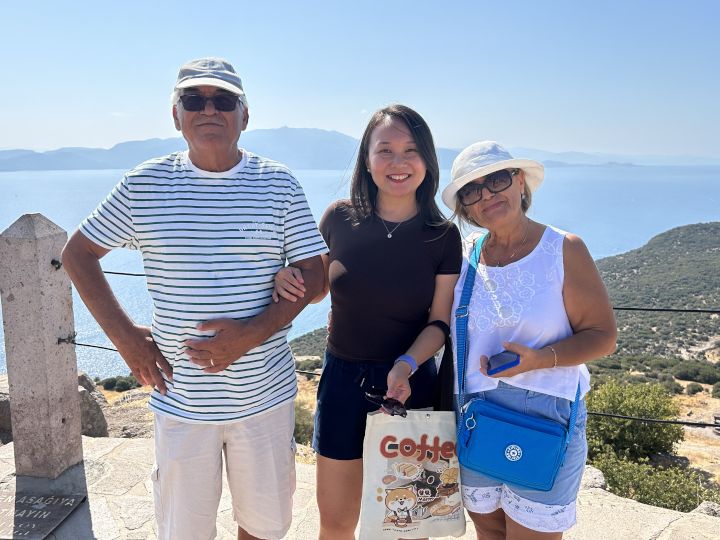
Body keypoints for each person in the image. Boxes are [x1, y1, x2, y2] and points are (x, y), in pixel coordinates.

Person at [61, 57, 327, 540]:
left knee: (264, 529)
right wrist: (127, 341)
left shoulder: (278, 183)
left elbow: (317, 276)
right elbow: (78, 254)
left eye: (223, 99)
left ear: (244, 115)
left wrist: (249, 335)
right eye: (193, 99)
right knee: (185, 531)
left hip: (264, 399)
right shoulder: (144, 183)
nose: (209, 110)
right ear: (175, 115)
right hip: (181, 402)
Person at [273, 104, 462, 539]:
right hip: (342, 383)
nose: (399, 162)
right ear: (367, 158)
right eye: (385, 150)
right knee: (336, 523)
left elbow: (439, 323)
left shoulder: (442, 235)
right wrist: (286, 276)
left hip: (409, 386)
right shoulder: (339, 218)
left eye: (411, 150)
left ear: (428, 160)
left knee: (405, 526)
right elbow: (316, 288)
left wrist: (405, 365)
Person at [441, 141, 617, 539]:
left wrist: (540, 359)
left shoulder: (563, 249)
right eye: (472, 190)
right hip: (475, 413)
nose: (487, 195)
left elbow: (603, 337)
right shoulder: (464, 257)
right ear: (465, 207)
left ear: (519, 181)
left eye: (497, 180)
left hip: (545, 415)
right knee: (488, 530)